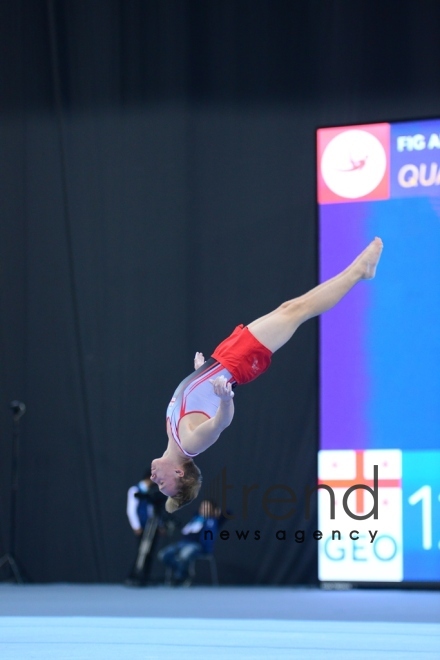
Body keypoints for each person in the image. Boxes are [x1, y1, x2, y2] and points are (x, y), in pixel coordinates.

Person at [150, 238, 384, 513]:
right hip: (237, 363)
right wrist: (226, 399)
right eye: (163, 485)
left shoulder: (173, 435)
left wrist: (199, 372)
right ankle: (360, 271)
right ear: (179, 474)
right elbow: (219, 424)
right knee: (298, 311)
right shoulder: (189, 444)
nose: (155, 480)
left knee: (292, 308)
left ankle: (359, 269)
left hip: (223, 359)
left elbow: (198, 403)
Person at [158, 500, 223, 586]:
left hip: (198, 546)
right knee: (163, 555)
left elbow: (227, 514)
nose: (204, 509)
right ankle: (185, 573)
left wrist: (217, 512)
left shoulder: (212, 521)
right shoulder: (195, 518)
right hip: (182, 544)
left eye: (207, 508)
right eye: (203, 507)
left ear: (212, 510)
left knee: (183, 555)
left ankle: (180, 577)